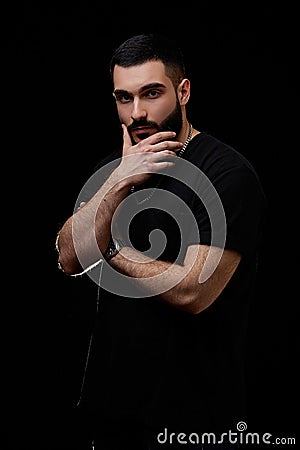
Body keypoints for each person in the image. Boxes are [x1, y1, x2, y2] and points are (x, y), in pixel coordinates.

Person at [56, 33, 267, 449]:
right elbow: (67, 255)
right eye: (124, 98)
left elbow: (194, 291)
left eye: (151, 93)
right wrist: (119, 181)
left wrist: (112, 248)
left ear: (183, 91)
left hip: (193, 421)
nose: (137, 113)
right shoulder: (112, 171)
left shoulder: (226, 174)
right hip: (110, 419)